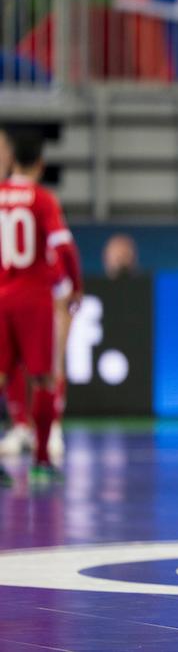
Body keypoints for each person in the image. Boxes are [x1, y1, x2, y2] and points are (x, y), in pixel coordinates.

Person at [0, 131, 83, 483]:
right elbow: (63, 246)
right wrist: (76, 285)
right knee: (44, 377)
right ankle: (42, 461)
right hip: (32, 298)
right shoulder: (42, 199)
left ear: (12, 160)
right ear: (40, 164)